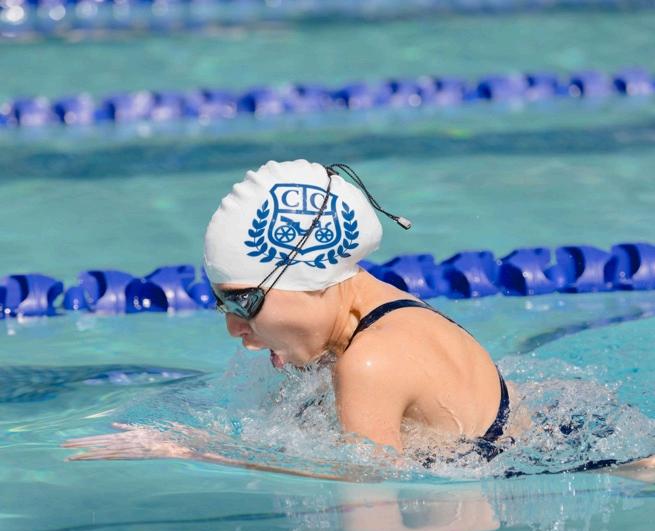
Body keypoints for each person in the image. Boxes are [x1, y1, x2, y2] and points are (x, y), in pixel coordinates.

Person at [63, 159, 655, 481]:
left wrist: (192, 450)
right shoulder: (386, 313)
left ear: (309, 277)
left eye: (244, 303)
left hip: (578, 470)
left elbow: (370, 501)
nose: (234, 329)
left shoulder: (370, 361)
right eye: (222, 305)